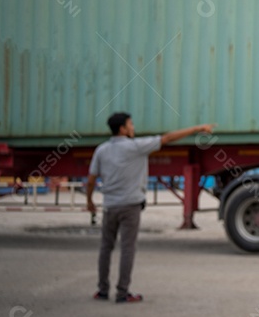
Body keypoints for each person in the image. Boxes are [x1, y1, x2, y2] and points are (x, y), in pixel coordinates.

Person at [87, 113, 214, 303]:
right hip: (130, 206)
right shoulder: (136, 147)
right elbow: (168, 138)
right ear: (122, 129)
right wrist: (197, 129)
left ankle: (102, 290)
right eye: (130, 124)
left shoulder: (101, 150)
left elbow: (91, 179)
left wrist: (89, 201)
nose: (133, 127)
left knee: (106, 247)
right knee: (128, 249)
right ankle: (122, 292)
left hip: (110, 206)